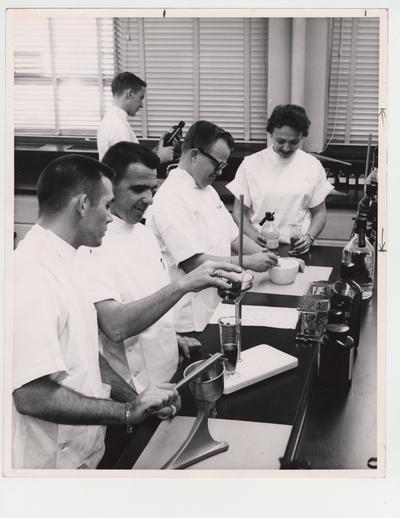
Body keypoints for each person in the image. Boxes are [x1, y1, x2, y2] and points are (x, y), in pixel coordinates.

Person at [12, 154, 181, 469]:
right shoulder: (32, 275)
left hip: (85, 452)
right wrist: (126, 413)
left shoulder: (72, 260)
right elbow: (30, 394)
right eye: (106, 206)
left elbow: (88, 356)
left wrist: (134, 398)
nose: (110, 218)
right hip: (49, 467)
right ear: (81, 206)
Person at [77, 141, 243, 393]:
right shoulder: (92, 244)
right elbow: (115, 326)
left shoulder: (144, 234)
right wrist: (184, 285)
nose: (149, 199)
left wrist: (170, 337)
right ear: (108, 186)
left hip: (171, 372)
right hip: (135, 389)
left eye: (152, 189)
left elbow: (150, 299)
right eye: (138, 189)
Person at [147, 120, 279, 333]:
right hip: (189, 316)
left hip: (215, 304)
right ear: (194, 155)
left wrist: (274, 260)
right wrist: (247, 262)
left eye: (223, 166)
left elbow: (234, 237)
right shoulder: (170, 197)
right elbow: (193, 263)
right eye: (217, 164)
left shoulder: (207, 190)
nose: (220, 171)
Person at [226, 104, 334, 255]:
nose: (286, 148)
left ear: (303, 136)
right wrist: (253, 236)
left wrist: (309, 237)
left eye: (294, 142)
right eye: (280, 141)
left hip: (296, 247)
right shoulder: (251, 164)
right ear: (271, 134)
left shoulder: (312, 166)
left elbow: (319, 213)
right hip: (258, 247)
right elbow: (238, 212)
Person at [97, 71, 175, 163]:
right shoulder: (118, 127)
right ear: (129, 93)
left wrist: (158, 149)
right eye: (140, 98)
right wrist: (160, 158)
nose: (141, 105)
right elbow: (130, 172)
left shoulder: (111, 120)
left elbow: (134, 160)